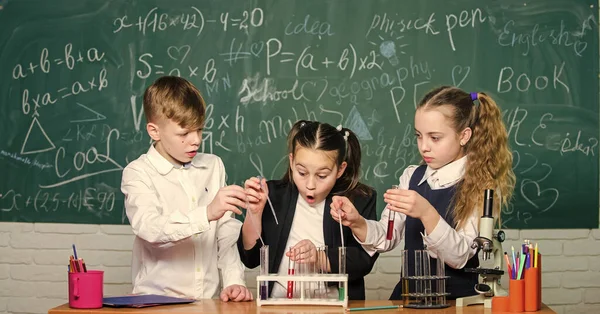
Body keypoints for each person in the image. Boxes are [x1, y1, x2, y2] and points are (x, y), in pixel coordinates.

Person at [331, 86, 516, 299]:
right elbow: (387, 237)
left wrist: (427, 213)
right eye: (419, 136)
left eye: (435, 138)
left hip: (456, 303)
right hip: (411, 297)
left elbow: (461, 256)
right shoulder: (411, 177)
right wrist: (357, 222)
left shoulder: (481, 187)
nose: (424, 147)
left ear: (464, 136)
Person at [121, 76, 252, 302]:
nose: (196, 141)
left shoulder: (213, 166)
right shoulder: (138, 172)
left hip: (207, 302)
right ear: (154, 131)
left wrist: (234, 281)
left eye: (199, 130)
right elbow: (149, 228)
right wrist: (207, 213)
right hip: (155, 302)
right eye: (184, 134)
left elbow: (225, 232)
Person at [238, 120, 378, 300]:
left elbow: (363, 260)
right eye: (302, 172)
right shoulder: (272, 195)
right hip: (278, 306)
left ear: (340, 170)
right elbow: (250, 259)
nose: (310, 185)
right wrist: (254, 214)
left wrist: (319, 257)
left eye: (322, 176)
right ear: (291, 161)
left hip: (336, 307)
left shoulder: (359, 200)